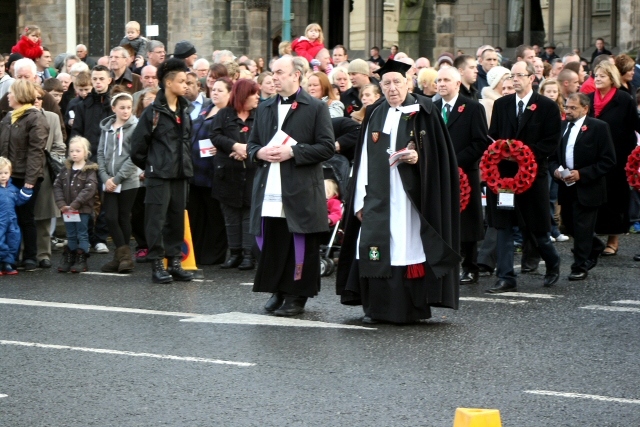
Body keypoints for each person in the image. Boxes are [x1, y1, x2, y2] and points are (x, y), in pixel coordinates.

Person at [336, 59, 460, 324]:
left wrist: (418, 158)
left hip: (410, 198)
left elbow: (440, 158)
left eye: (397, 82)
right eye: (387, 83)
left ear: (409, 83)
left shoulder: (425, 110)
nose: (393, 88)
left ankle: (409, 309)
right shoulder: (374, 113)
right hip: (378, 198)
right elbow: (364, 162)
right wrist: (359, 202)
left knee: (407, 247)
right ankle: (377, 308)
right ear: (381, 86)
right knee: (375, 247)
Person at [247, 56, 334, 316]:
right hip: (269, 188)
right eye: (272, 73)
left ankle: (297, 296)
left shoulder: (316, 107)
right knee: (273, 241)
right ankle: (278, 290)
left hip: (300, 189)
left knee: (299, 243)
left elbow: (327, 147)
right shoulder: (264, 108)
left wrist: (293, 152)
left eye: (280, 72)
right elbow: (252, 145)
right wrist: (259, 153)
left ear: (296, 75)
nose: (274, 77)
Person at [485, 61, 561, 293]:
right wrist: (502, 151)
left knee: (537, 228)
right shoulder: (502, 104)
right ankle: (506, 277)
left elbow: (551, 141)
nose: (515, 79)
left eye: (520, 75)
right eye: (512, 75)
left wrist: (523, 154)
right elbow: (494, 136)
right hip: (505, 178)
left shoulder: (546, 106)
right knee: (504, 227)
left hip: (533, 175)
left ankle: (552, 262)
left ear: (531, 78)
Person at [131, 58, 194, 284]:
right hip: (159, 175)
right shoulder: (153, 113)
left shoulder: (185, 111)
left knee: (176, 218)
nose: (186, 85)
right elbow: (137, 147)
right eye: (181, 81)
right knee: (156, 220)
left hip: (180, 174)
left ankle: (174, 262)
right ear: (168, 83)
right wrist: (151, 167)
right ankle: (157, 263)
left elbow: (188, 141)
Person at [549, 93, 615, 280]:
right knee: (569, 226)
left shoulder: (598, 127)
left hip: (589, 187)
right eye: (566, 107)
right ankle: (594, 246)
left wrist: (582, 174)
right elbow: (553, 157)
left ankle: (579, 265)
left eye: (573, 108)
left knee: (583, 227)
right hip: (566, 186)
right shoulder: (561, 127)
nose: (568, 111)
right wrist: (555, 170)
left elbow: (608, 160)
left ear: (585, 109)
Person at [434, 67, 488, 285]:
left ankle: (470, 266)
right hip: (439, 173)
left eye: (446, 80)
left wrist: (454, 161)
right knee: (442, 219)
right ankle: (446, 264)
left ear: (457, 84)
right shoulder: (433, 108)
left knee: (466, 222)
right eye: (438, 80)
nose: (441, 84)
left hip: (465, 172)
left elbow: (480, 142)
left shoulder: (473, 108)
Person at [588, 61, 639, 256]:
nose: (598, 79)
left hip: (618, 157)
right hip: (593, 158)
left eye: (602, 76)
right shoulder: (588, 98)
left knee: (615, 199)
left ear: (612, 78)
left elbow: (635, 123)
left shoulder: (624, 99)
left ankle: (613, 240)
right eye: (596, 75)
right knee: (592, 198)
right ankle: (590, 239)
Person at [210, 79, 260, 270]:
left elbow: (267, 138)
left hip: (252, 172)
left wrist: (247, 149)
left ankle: (249, 255)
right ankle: (235, 253)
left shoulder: (260, 114)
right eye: (253, 93)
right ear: (243, 95)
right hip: (227, 173)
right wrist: (234, 146)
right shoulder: (224, 114)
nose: (257, 97)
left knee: (248, 215)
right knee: (231, 216)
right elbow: (215, 136)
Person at [0, 79, 48, 271]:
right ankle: (11, 256)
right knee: (9, 217)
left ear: (20, 95)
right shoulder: (7, 118)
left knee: (26, 217)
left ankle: (30, 256)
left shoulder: (36, 119)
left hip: (26, 177)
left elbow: (36, 152)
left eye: (11, 93)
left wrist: (29, 183)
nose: (8, 96)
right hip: (8, 176)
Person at [185, 77, 230, 266]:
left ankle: (213, 255)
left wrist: (222, 148)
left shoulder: (229, 114)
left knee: (214, 216)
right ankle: (196, 253)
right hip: (196, 171)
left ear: (230, 94)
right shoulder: (206, 108)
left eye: (220, 90)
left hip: (215, 173)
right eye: (214, 89)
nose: (216, 92)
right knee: (197, 215)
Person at [97, 87, 140, 273]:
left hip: (128, 181)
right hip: (109, 182)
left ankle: (121, 257)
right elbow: (100, 154)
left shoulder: (135, 128)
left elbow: (135, 156)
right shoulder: (106, 129)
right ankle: (123, 257)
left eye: (129, 107)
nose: (125, 111)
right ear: (113, 108)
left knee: (123, 217)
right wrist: (106, 178)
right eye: (121, 107)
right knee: (111, 217)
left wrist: (118, 177)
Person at [54, 136, 98, 273]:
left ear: (85, 152)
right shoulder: (65, 169)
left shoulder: (90, 170)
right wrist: (61, 203)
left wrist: (76, 204)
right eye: (72, 151)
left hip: (82, 210)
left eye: (78, 151)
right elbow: (57, 186)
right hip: (67, 210)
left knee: (82, 234)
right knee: (70, 234)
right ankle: (70, 257)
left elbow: (89, 189)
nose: (74, 153)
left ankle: (81, 259)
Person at [32, 86, 66, 269]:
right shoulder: (17, 116)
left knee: (44, 217)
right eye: (33, 98)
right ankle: (23, 252)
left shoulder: (52, 117)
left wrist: (50, 159)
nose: (36, 101)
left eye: (39, 98)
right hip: (24, 172)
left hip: (45, 171)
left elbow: (60, 145)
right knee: (24, 216)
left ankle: (43, 254)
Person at [0, 157, 33, 275]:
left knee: (14, 241)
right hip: (0, 221)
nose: (3, 176)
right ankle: (1, 260)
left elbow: (19, 201)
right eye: (0, 173)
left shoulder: (13, 189)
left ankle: (8, 263)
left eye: (6, 173)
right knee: (0, 241)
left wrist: (26, 192)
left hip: (12, 221)